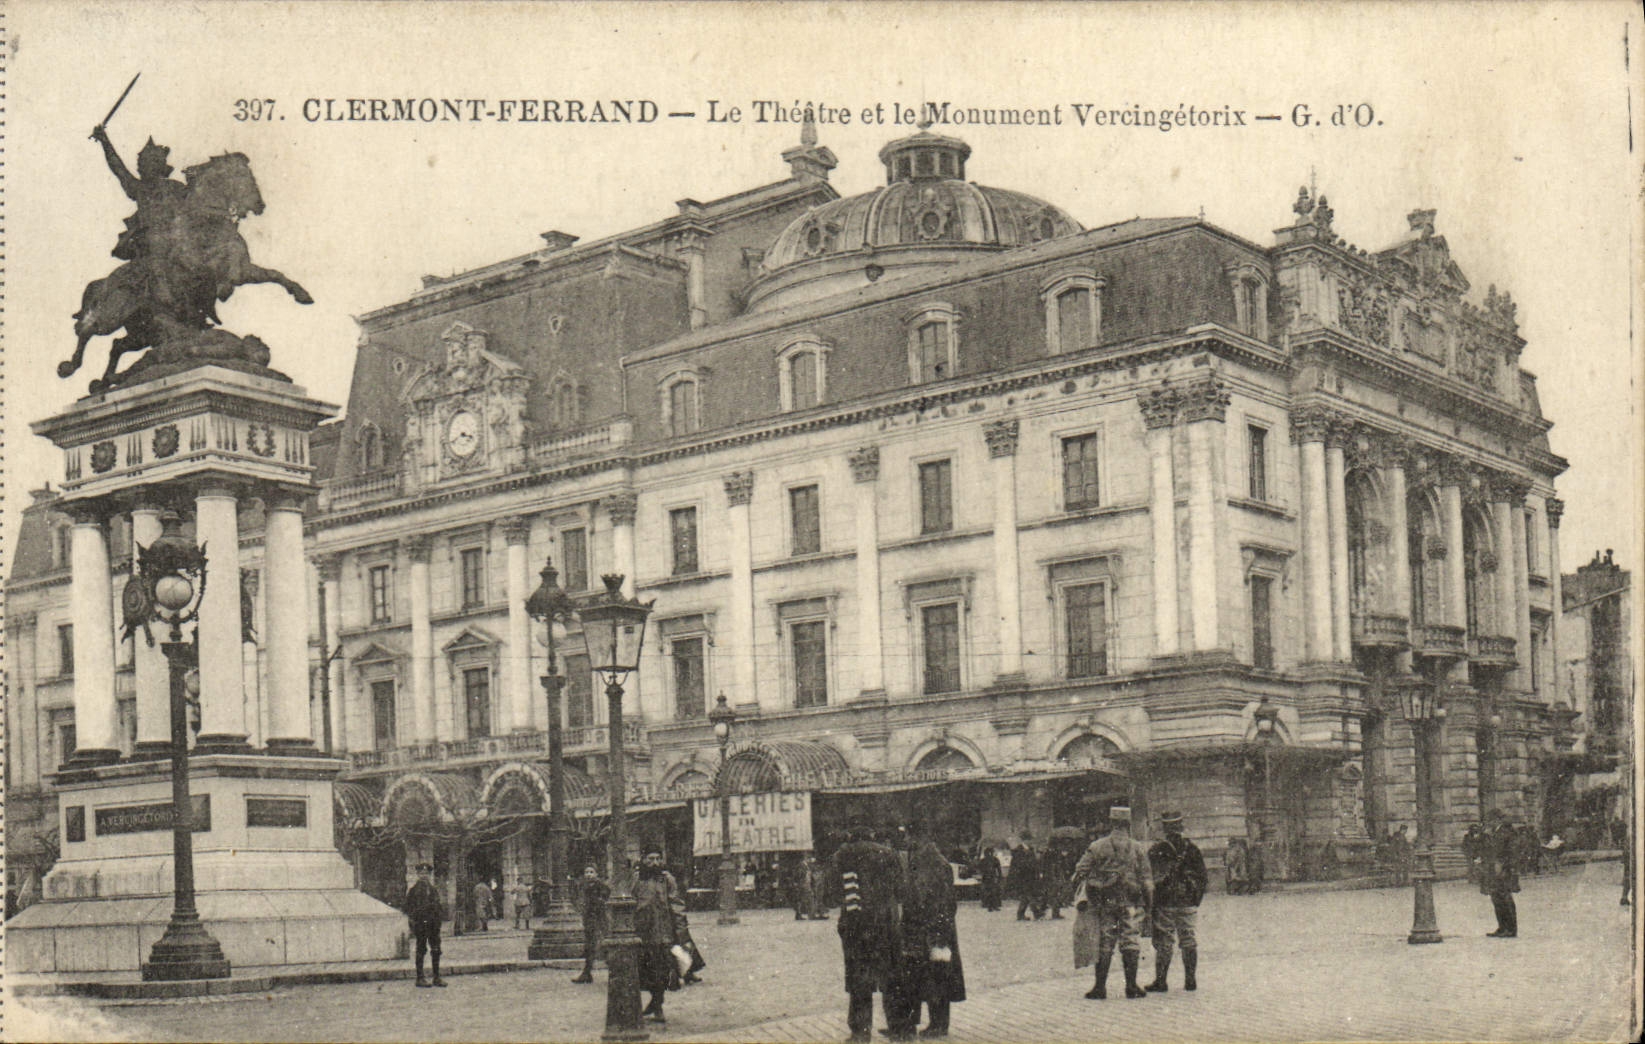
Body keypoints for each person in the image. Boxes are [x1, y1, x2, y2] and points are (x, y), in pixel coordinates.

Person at [888, 823, 966, 1040]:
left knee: (937, 978)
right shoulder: (922, 859)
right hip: (920, 929)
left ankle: (939, 1025)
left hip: (932, 930)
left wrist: (938, 933)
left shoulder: (934, 863)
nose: (906, 841)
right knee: (920, 976)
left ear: (918, 837)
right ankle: (912, 1024)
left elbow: (944, 903)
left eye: (908, 837)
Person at [1069, 806, 1154, 1000]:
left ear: (1111, 823)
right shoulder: (1138, 847)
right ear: (1128, 825)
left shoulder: (1097, 846)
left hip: (1106, 902)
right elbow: (1148, 882)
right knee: (1130, 940)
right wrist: (1149, 906)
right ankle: (1131, 987)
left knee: (1106, 941)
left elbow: (1080, 871)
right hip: (1131, 902)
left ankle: (1100, 987)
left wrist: (1097, 881)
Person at [832, 822, 905, 1043]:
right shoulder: (889, 853)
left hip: (857, 925)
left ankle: (860, 1032)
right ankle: (898, 1028)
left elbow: (833, 894)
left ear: (851, 834)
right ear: (871, 834)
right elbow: (901, 889)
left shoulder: (843, 854)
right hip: (886, 924)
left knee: (859, 979)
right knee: (891, 978)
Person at [1146, 811, 1207, 993]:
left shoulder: (1157, 849)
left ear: (1165, 828)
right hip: (1187, 899)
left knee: (1165, 939)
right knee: (1188, 938)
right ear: (1181, 826)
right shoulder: (1192, 848)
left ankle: (1161, 981)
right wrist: (1195, 898)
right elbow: (1203, 876)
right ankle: (1190, 981)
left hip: (1166, 900)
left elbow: (1150, 876)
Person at [632, 848, 683, 1023]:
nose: (654, 862)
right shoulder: (636, 879)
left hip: (664, 932)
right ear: (643, 859)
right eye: (650, 858)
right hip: (643, 932)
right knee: (646, 971)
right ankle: (654, 1004)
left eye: (657, 859)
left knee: (662, 971)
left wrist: (680, 927)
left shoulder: (667, 879)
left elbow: (676, 903)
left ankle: (657, 1005)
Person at [404, 863, 447, 988]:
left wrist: (438, 919)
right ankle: (420, 978)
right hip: (421, 925)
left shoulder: (433, 890)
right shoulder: (413, 891)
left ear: (429, 875)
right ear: (418, 875)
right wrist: (415, 921)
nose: (424, 876)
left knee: (436, 950)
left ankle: (436, 977)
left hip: (433, 925)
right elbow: (408, 908)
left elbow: (438, 906)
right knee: (421, 950)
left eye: (426, 873)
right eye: (421, 873)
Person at [1481, 810, 1520, 938]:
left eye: (1490, 820)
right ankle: (1502, 927)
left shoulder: (1507, 832)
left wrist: (1504, 865)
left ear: (1497, 820)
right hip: (1493, 870)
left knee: (1505, 898)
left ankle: (1511, 929)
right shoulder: (1493, 833)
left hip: (1504, 871)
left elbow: (1513, 852)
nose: (1488, 823)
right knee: (1496, 898)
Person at [571, 865, 610, 984]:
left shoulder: (601, 886)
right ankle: (587, 973)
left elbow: (604, 901)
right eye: (586, 872)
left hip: (599, 920)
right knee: (589, 947)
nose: (588, 874)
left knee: (604, 946)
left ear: (596, 874)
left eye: (591, 872)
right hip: (589, 920)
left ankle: (613, 973)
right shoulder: (583, 886)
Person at [1010, 838, 1042, 920]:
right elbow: (1017, 865)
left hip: (1031, 876)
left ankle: (1020, 914)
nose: (1031, 842)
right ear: (1024, 840)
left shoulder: (1030, 850)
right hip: (1023, 877)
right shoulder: (1018, 851)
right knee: (1029, 895)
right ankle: (1036, 912)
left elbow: (1034, 863)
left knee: (1026, 896)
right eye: (1029, 840)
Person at [977, 846, 1003, 912]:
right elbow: (999, 869)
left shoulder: (983, 860)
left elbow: (979, 869)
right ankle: (994, 905)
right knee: (993, 891)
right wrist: (1000, 876)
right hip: (992, 877)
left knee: (988, 891)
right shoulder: (995, 859)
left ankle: (988, 905)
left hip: (986, 877)